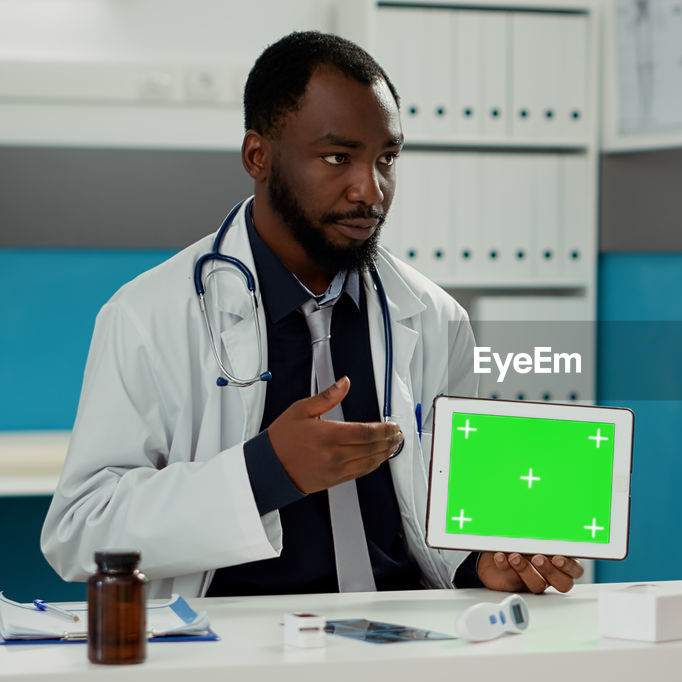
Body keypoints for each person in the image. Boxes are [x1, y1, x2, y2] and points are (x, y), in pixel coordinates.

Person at [40, 33, 582, 604]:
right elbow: (80, 530)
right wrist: (266, 472)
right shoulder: (148, 316)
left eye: (387, 160)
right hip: (237, 654)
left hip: (410, 640)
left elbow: (449, 519)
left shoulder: (434, 318)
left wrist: (481, 565)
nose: (370, 191)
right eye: (337, 157)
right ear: (258, 156)